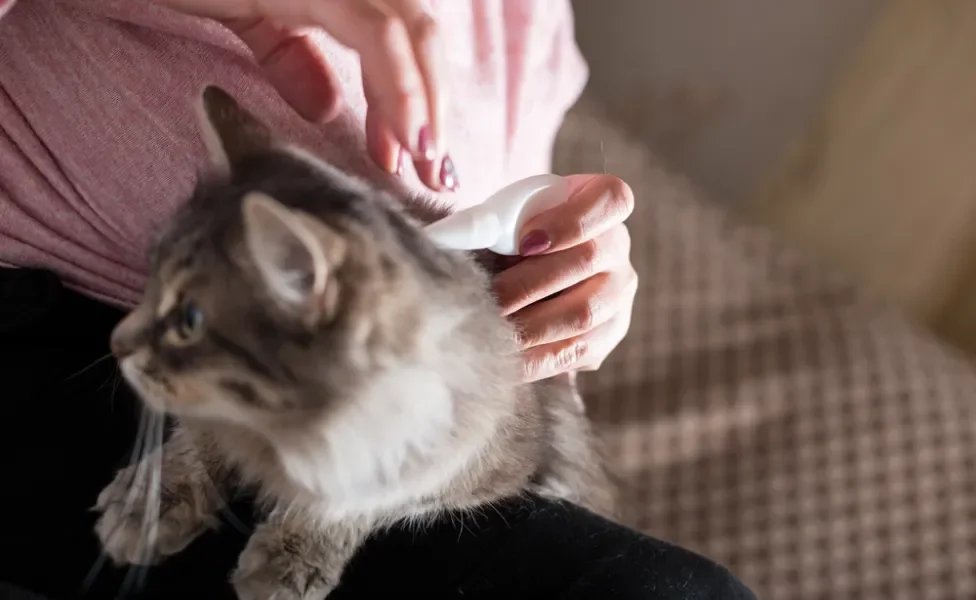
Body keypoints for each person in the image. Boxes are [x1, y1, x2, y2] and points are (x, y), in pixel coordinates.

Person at [0, 1, 756, 598]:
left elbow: (504, 247)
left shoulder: (529, 20)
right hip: (62, 318)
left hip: (368, 418)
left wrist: (574, 275)